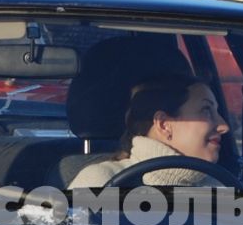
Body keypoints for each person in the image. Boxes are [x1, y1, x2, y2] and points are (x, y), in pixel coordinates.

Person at [68, 77, 227, 189]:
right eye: (206, 110)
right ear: (164, 125)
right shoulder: (100, 181)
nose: (223, 126)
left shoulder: (220, 189)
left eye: (217, 112)